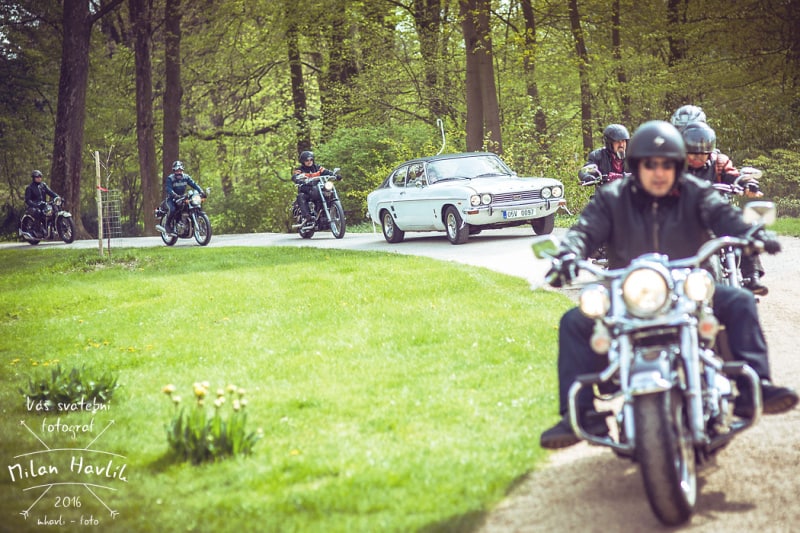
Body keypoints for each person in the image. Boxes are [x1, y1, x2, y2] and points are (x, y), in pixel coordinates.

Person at [539, 120, 798, 449]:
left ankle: (754, 388)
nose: (659, 173)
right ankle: (580, 415)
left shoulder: (696, 192)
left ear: (677, 165)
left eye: (666, 164)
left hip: (691, 287)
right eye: (650, 164)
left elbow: (725, 217)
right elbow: (584, 230)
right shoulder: (612, 198)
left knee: (740, 300)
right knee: (574, 322)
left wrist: (753, 233)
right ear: (637, 166)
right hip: (631, 292)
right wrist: (567, 254)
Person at [682, 121, 768, 295]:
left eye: (703, 154)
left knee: (745, 227)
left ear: (709, 151)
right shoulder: (675, 165)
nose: (698, 158)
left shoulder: (719, 162)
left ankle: (751, 276)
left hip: (718, 214)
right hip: (686, 217)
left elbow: (734, 176)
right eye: (693, 154)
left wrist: (748, 184)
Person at [157, 161, 205, 236]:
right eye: (177, 170)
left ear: (182, 170)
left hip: (182, 197)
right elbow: (168, 189)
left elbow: (194, 184)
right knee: (172, 209)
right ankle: (167, 225)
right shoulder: (170, 178)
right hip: (171, 199)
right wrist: (174, 195)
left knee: (190, 206)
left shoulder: (186, 177)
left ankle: (187, 224)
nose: (179, 172)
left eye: (180, 170)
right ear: (174, 171)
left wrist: (201, 191)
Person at [292, 150, 335, 228]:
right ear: (303, 161)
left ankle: (328, 214)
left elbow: (327, 172)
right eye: (307, 160)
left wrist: (335, 175)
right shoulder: (300, 169)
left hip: (318, 189)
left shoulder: (317, 167)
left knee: (329, 193)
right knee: (301, 196)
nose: (309, 161)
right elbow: (295, 176)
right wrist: (298, 179)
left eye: (311, 159)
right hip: (307, 190)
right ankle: (307, 217)